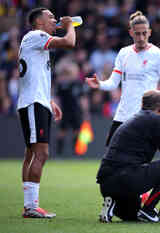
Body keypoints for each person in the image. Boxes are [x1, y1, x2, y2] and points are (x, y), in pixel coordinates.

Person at [17, 7, 76, 218]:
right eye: (50, 17)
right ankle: (31, 207)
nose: (54, 20)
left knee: (31, 153)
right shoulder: (36, 35)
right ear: (39, 22)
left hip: (36, 101)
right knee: (41, 153)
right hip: (34, 103)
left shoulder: (35, 43)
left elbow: (34, 74)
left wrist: (49, 100)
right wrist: (69, 25)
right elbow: (69, 43)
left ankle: (29, 205)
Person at [86, 11, 160, 147]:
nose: (141, 37)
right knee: (112, 158)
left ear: (150, 32)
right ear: (131, 33)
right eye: (137, 33)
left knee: (138, 159)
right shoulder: (124, 53)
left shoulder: (159, 55)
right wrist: (100, 84)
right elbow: (113, 83)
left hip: (146, 117)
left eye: (144, 33)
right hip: (123, 115)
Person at [96, 90, 160, 223]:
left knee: (132, 216)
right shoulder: (155, 119)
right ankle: (148, 209)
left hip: (106, 184)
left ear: (142, 104)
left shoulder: (132, 119)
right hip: (127, 179)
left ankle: (111, 203)